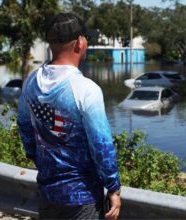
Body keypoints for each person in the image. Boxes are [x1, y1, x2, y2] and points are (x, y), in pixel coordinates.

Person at [17, 12, 121, 220]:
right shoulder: (85, 89)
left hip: (47, 193)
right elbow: (101, 145)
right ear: (79, 43)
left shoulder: (31, 82)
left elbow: (24, 126)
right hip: (82, 197)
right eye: (86, 39)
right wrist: (113, 187)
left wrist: (39, 161)